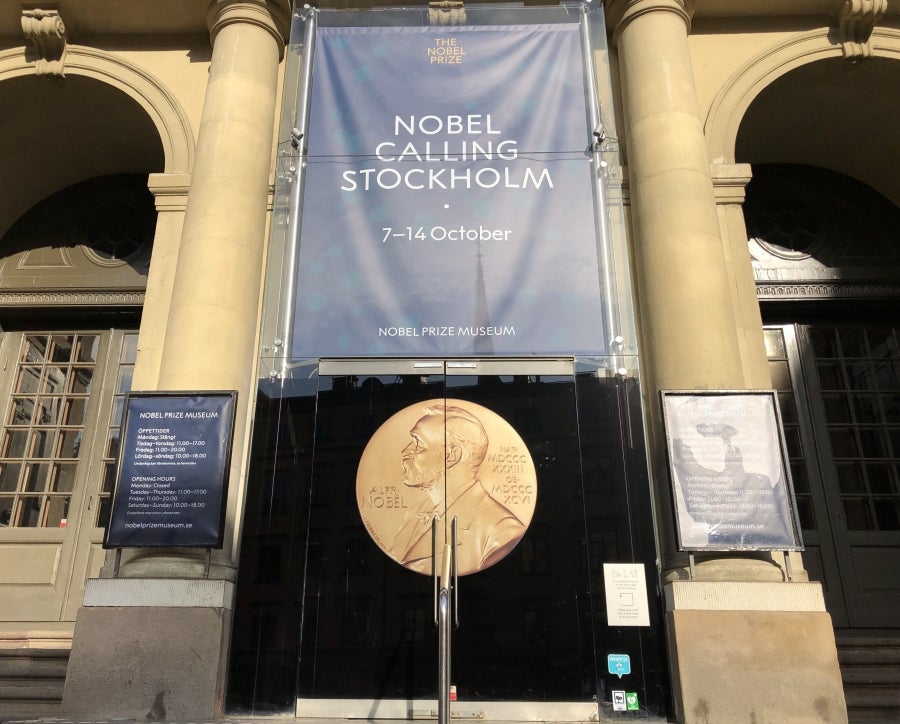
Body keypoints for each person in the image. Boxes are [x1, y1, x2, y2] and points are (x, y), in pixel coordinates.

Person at [390, 405, 526, 575]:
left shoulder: (502, 532)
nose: (405, 452)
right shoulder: (413, 516)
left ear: (452, 455)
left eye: (418, 443)